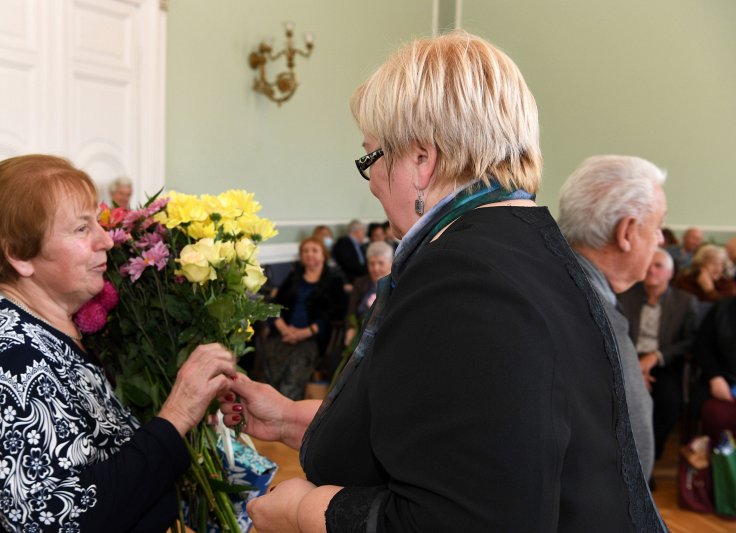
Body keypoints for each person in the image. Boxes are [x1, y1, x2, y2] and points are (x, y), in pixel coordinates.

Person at [219, 31, 666, 532]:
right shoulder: (524, 244)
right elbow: (443, 429)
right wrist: (286, 419)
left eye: (372, 157)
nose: (370, 181)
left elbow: (462, 518)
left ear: (421, 161)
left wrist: (302, 511)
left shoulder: (464, 276)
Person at [0, 155, 234, 532]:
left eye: (97, 221)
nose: (106, 239)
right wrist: (176, 416)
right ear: (18, 255)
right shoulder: (6, 364)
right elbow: (63, 521)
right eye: (81, 228)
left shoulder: (29, 320)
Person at [558, 154, 667, 482]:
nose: (661, 239)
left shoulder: (561, 281)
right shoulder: (591, 314)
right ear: (627, 233)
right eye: (658, 226)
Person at [618, 248, 698, 461]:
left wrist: (656, 356)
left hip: (664, 363)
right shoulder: (625, 296)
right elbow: (616, 333)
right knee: (619, 400)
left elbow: (690, 340)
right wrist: (636, 369)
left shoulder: (685, 301)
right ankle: (625, 459)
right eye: (648, 264)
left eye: (658, 266)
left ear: (670, 274)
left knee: (669, 403)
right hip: (626, 360)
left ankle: (649, 458)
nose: (651, 270)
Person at [261, 237, 347, 400]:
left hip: (312, 338)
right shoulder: (294, 276)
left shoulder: (333, 281)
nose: (310, 254)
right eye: (305, 251)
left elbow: (334, 314)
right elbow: (275, 304)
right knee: (271, 354)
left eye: (314, 250)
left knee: (296, 363)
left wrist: (304, 333)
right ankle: (267, 402)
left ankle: (286, 406)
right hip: (283, 334)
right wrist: (284, 329)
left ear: (324, 255)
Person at [693, 296, 736, 442]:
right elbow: (702, 347)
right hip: (722, 378)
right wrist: (715, 377)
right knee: (716, 415)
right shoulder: (722, 309)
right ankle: (718, 463)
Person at [343, 241, 393, 348]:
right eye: (371, 263)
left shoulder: (398, 283)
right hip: (360, 335)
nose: (375, 268)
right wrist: (350, 329)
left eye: (380, 263)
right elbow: (351, 312)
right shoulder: (360, 283)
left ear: (391, 263)